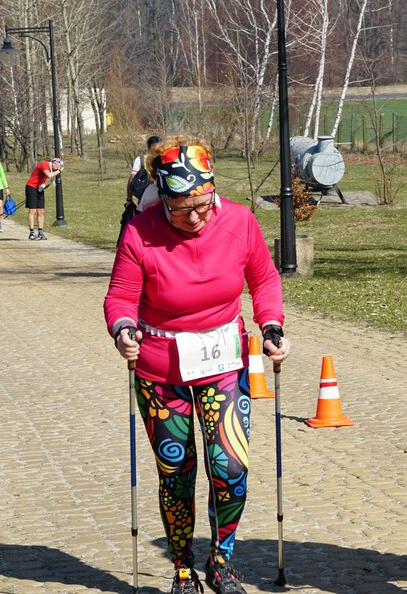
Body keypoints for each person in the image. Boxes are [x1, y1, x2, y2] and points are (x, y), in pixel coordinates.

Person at [104, 135, 290, 594]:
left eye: (205, 202)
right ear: (163, 199)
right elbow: (121, 296)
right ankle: (183, 567)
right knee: (177, 470)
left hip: (222, 359)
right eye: (183, 207)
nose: (197, 215)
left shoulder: (241, 222)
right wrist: (123, 329)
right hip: (159, 365)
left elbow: (264, 279)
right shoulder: (140, 231)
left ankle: (221, 560)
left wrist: (271, 326)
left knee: (229, 466)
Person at [118, 135, 162, 246]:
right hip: (161, 197)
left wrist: (129, 199)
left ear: (148, 147)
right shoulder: (164, 158)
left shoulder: (141, 159)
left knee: (142, 224)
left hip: (144, 198)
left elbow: (131, 180)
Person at [25, 157, 63, 240]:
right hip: (31, 187)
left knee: (41, 210)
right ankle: (31, 232)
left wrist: (51, 182)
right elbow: (49, 175)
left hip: (40, 188)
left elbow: (50, 176)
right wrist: (59, 171)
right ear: (53, 163)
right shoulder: (44, 164)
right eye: (58, 165)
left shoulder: (52, 168)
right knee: (33, 210)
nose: (58, 167)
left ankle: (40, 232)